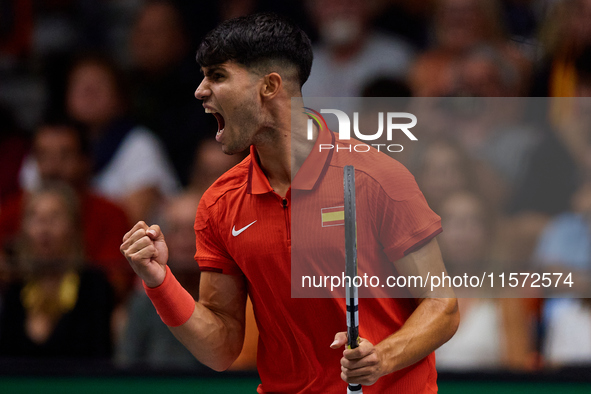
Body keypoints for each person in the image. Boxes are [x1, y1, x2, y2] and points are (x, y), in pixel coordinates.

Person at [121, 13, 459, 393]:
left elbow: (441, 306)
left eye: (217, 75)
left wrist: (383, 357)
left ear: (269, 86)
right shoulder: (219, 204)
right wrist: (160, 281)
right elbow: (221, 349)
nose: (200, 90)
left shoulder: (376, 178)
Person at [0, 182, 114, 358]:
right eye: (35, 218)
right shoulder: (14, 291)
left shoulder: (94, 288)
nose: (44, 228)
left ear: (74, 227)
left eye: (54, 218)